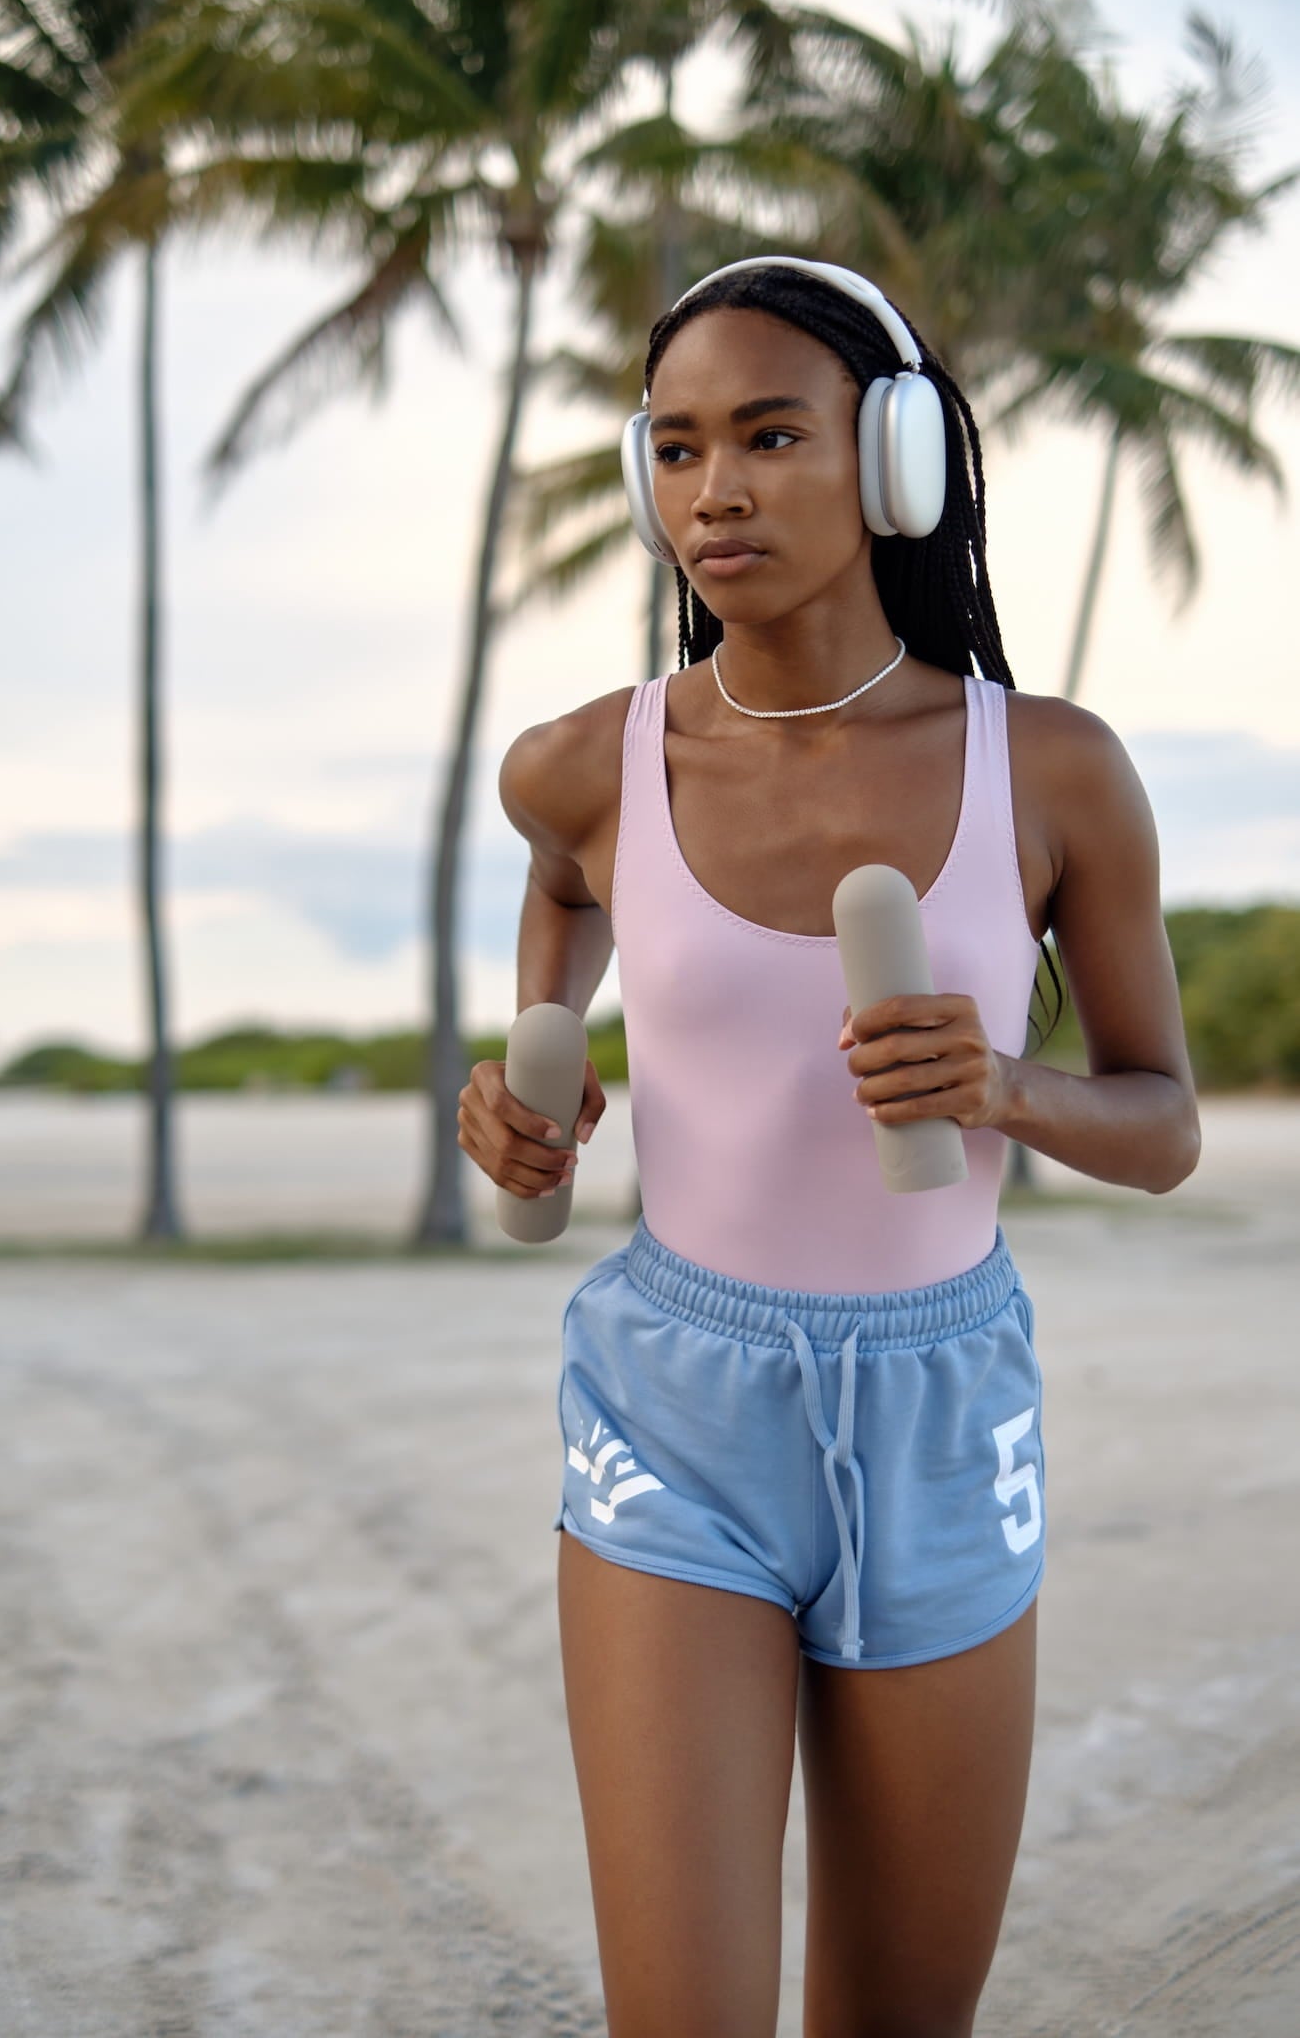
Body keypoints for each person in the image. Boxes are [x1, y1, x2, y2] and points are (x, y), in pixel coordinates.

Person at [458, 259, 1200, 2038]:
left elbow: (1164, 1120)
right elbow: (554, 978)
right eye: (680, 447)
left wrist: (1006, 1091)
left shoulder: (1050, 770)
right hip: (672, 1410)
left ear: (892, 462)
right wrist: (523, 1133)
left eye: (772, 437)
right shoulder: (580, 768)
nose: (714, 492)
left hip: (945, 1410)